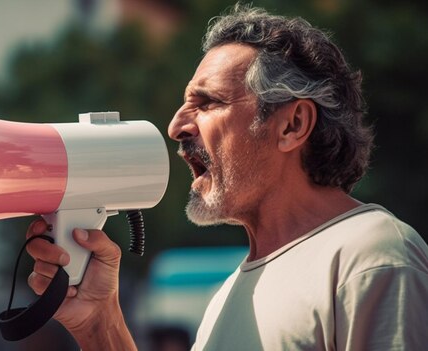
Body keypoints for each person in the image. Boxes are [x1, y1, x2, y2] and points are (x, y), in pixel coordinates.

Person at [25, 4, 428, 350]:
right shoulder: (229, 293)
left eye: (207, 102)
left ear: (293, 124)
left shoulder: (372, 257)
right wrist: (99, 321)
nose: (175, 126)